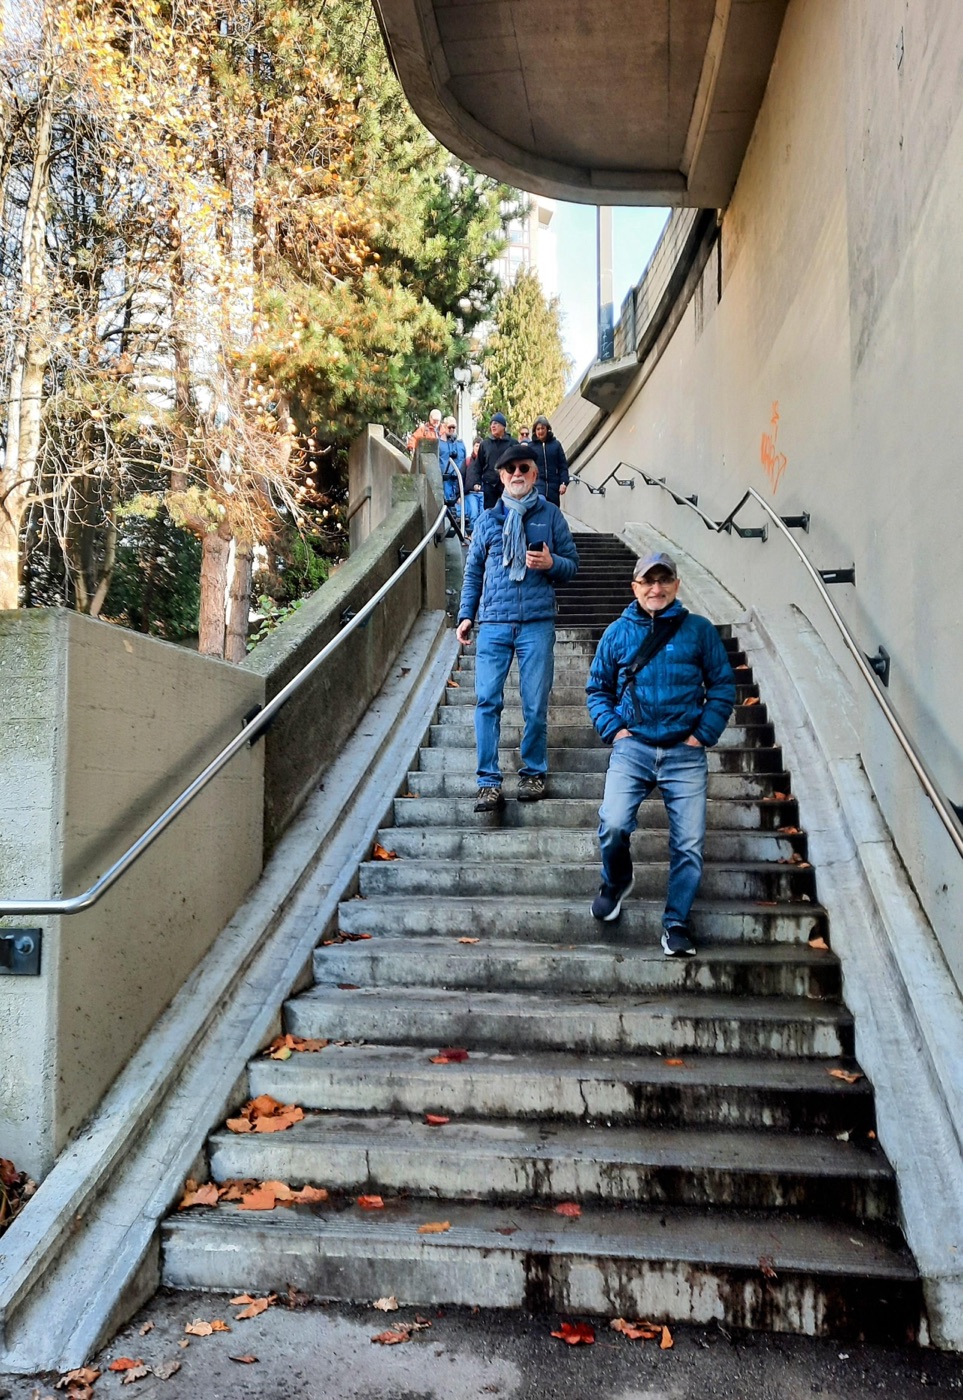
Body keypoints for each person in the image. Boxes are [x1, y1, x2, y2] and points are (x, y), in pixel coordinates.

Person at [585, 551, 735, 957]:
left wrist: (702, 735)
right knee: (613, 823)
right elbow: (597, 689)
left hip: (684, 752)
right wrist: (615, 731)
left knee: (688, 844)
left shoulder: (699, 631)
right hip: (633, 748)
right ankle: (616, 881)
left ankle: (676, 923)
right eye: (648, 581)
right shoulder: (617, 633)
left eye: (664, 579)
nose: (656, 588)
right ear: (634, 587)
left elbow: (722, 685)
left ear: (676, 584)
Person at [456, 442, 579, 810]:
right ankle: (488, 782)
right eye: (510, 470)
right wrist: (466, 615)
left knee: (535, 703)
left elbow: (572, 565)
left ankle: (533, 772)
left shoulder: (551, 516)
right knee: (486, 701)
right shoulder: (487, 521)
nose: (517, 475)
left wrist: (552, 563)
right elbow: (472, 573)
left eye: (524, 468)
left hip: (536, 624)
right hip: (494, 624)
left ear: (535, 473)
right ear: (501, 475)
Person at [475, 413, 517, 510]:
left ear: (503, 426)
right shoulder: (485, 444)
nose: (493, 426)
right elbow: (478, 465)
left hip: (508, 485)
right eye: (491, 424)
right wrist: (476, 482)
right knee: (490, 513)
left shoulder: (513, 444)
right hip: (489, 485)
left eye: (496, 423)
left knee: (508, 511)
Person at [530, 416, 570, 505]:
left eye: (542, 428)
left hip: (553, 488)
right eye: (538, 429)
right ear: (535, 431)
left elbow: (563, 466)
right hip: (538, 486)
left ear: (547, 429)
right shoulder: (531, 447)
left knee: (553, 510)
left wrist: (563, 483)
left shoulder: (556, 445)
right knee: (541, 505)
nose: (540, 431)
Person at [438, 417, 467, 508]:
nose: (452, 429)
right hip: (446, 479)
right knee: (447, 504)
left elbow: (465, 460)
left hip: (459, 479)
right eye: (449, 427)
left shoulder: (461, 444)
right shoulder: (439, 443)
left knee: (460, 504)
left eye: (453, 427)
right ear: (444, 427)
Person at [463, 437, 484, 534]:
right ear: (473, 446)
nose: (478, 448)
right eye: (477, 446)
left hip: (483, 492)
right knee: (474, 514)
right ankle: (473, 535)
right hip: (471, 492)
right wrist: (459, 495)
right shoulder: (467, 461)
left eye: (480, 446)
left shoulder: (486, 461)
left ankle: (482, 536)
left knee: (484, 515)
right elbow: (462, 476)